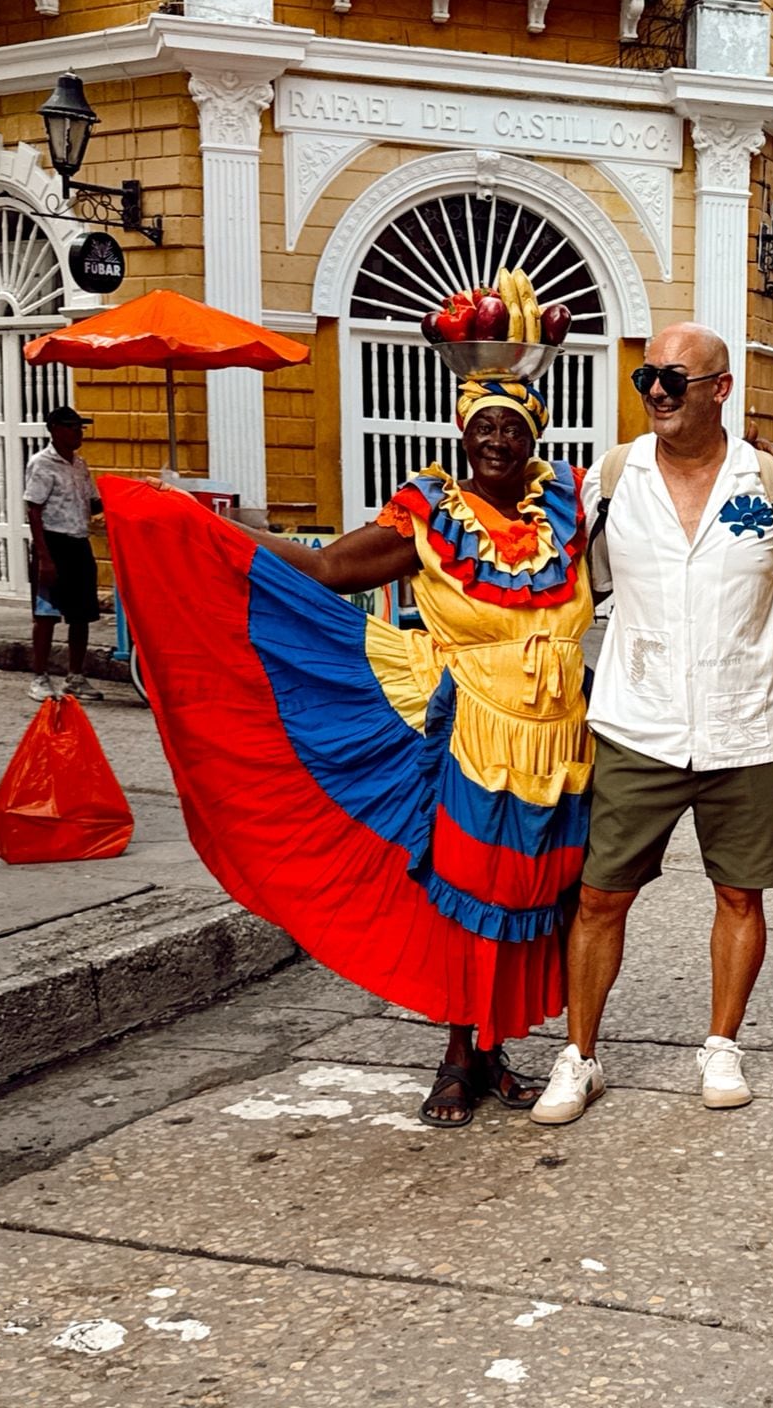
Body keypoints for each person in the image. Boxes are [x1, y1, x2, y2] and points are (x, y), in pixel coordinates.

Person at [104, 373, 595, 1128]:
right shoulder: (432, 514)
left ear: (538, 435)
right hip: (472, 731)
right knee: (466, 893)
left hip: (560, 736)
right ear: (461, 432)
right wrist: (210, 531)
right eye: (484, 425)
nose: (498, 440)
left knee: (534, 893)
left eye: (514, 426)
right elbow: (332, 570)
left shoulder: (569, 507)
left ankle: (498, 1051)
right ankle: (459, 1056)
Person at [534, 325, 773, 1126]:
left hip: (744, 724)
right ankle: (580, 1055)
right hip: (637, 719)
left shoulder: (767, 483)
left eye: (675, 378)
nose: (658, 390)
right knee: (599, 897)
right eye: (647, 376)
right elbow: (565, 584)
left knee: (740, 893)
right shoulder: (610, 480)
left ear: (720, 389)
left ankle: (721, 1044)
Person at [25, 405, 103, 702]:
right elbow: (34, 509)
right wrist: (44, 557)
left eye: (80, 427)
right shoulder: (42, 464)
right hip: (53, 543)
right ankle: (40, 676)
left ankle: (75, 676)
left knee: (81, 613)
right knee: (46, 615)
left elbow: (93, 504)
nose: (78, 432)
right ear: (55, 429)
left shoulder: (80, 465)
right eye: (72, 427)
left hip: (78, 542)